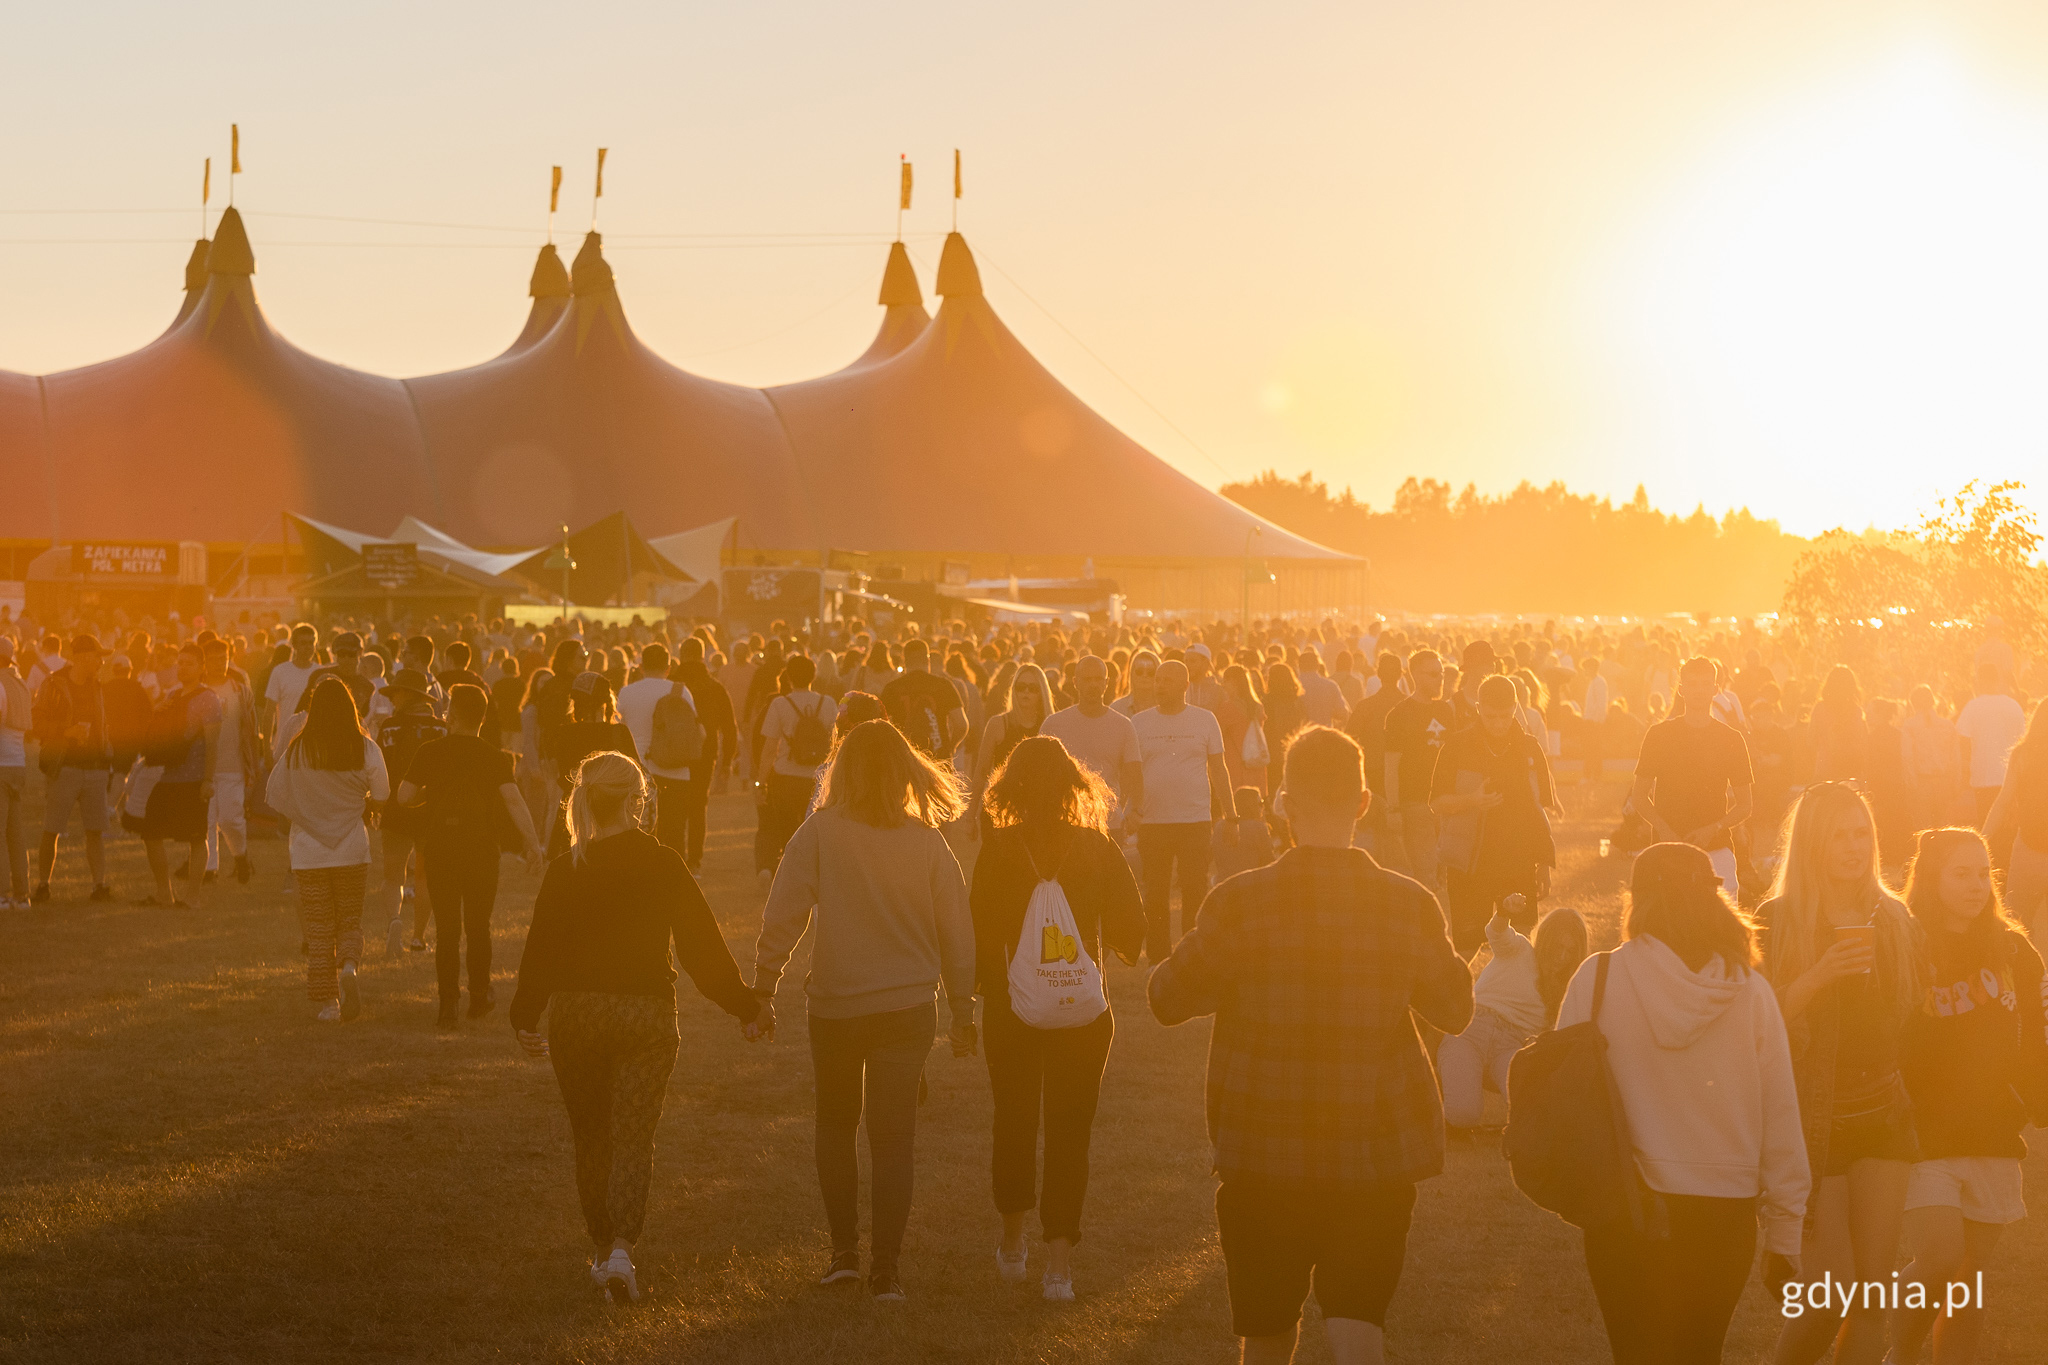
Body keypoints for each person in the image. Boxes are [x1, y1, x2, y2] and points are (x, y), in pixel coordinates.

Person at [1149, 725, 1473, 1365]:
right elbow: (1456, 1009)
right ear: (1363, 802)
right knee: (1359, 1326)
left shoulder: (1240, 902)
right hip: (1373, 1153)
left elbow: (1166, 998)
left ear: (1284, 804)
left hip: (1262, 1148)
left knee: (1267, 1331)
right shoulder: (1407, 903)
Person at [509, 751, 763, 1304]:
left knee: (591, 1135)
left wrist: (524, 1014)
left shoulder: (567, 867)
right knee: (632, 1136)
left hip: (577, 1015)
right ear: (635, 800)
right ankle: (622, 1249)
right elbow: (701, 949)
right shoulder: (663, 862)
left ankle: (603, 1249)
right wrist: (746, 1006)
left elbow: (541, 950)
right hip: (645, 1015)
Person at [749, 719, 975, 1304]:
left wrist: (764, 986)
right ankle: (886, 1270)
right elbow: (957, 931)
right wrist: (961, 1008)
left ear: (842, 769)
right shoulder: (927, 842)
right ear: (905, 771)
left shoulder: (819, 832)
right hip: (909, 1007)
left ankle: (844, 1254)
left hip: (837, 1007)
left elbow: (783, 912)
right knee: (894, 1139)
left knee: (835, 1125)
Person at [1560, 842, 1809, 1365]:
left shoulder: (1597, 978)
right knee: (1701, 1352)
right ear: (1714, 900)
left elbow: (1559, 1096)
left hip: (1626, 1209)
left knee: (1635, 1355)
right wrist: (1784, 1231)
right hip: (1724, 1212)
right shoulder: (1751, 992)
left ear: (1637, 900)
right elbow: (1781, 1115)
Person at [970, 735, 1144, 1300]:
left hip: (1012, 1008)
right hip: (1082, 1014)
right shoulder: (1097, 847)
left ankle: (1011, 1243)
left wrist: (981, 994)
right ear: (1074, 785)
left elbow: (978, 931)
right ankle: (1059, 1268)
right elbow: (1132, 932)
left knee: (1013, 1120)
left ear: (1011, 788)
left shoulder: (998, 849)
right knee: (1071, 1132)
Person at [1761, 782, 1922, 1365]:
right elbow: (1758, 1020)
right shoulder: (1778, 920)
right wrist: (1820, 973)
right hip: (1814, 1122)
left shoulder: (1894, 917)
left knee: (1872, 1298)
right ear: (1812, 844)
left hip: (1883, 1114)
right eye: (1840, 836)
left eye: (1862, 834)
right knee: (1828, 1297)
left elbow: (1911, 1016)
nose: (1856, 848)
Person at [1889, 827, 2048, 1365]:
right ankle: (1899, 1355)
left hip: (1993, 1131)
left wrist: (2036, 1100)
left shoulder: (2014, 950)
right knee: (1939, 1257)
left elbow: (2037, 1033)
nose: (1977, 885)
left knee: (1969, 1278)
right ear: (1930, 879)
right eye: (1961, 874)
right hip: (1922, 1132)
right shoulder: (1905, 944)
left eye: (1984, 874)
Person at [395, 684, 544, 1026]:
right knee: (479, 927)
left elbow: (404, 797)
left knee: (447, 929)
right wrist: (533, 843)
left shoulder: (430, 751)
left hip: (440, 848)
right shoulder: (494, 756)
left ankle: (447, 1004)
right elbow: (513, 800)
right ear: (482, 717)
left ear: (452, 716)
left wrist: (431, 795)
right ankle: (479, 996)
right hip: (481, 850)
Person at [265, 677, 389, 1022]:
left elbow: (276, 793)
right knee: (349, 919)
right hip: (352, 848)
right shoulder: (365, 748)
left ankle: (329, 1003)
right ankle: (349, 967)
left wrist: (305, 810)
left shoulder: (297, 750)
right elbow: (382, 793)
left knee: (319, 928)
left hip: (308, 852)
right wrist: (362, 803)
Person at [1428, 675, 1557, 958]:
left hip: (1518, 860)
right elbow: (1436, 803)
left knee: (1520, 946)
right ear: (1478, 708)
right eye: (1490, 717)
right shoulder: (1457, 746)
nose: (1498, 724)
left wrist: (1544, 863)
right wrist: (1471, 800)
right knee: (1466, 948)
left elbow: (1538, 811)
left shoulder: (1529, 748)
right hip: (1469, 865)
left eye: (1505, 716)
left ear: (1515, 708)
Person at [1438, 898, 1586, 1130]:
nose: (1562, 957)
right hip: (1472, 1031)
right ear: (1546, 941)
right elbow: (1497, 933)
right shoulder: (1520, 950)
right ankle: (1441, 1083)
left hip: (1510, 1048)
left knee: (1533, 1107)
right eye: (1558, 947)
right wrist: (1504, 912)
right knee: (1463, 1115)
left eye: (1570, 951)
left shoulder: (1563, 991)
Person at [1629, 656, 1754, 900]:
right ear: (1681, 689)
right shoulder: (1659, 735)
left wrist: (1714, 828)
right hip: (1667, 850)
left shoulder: (1731, 739)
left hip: (1716, 850)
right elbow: (1639, 796)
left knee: (1720, 921)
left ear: (1716, 689)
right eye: (1692, 684)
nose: (1699, 690)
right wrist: (1664, 830)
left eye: (1705, 684)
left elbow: (1745, 805)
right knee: (1666, 919)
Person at [1130, 659, 1230, 962]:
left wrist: (1231, 816)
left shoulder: (1204, 720)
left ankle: (1191, 958)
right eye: (1158, 679)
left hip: (1194, 820)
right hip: (1153, 821)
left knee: (1195, 891)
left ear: (1185, 685)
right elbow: (1131, 772)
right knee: (1155, 895)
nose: (1160, 685)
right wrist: (1131, 810)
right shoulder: (1140, 722)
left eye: (1168, 680)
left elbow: (1219, 769)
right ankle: (1158, 959)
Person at [128, 643, 222, 909]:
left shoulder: (209, 699)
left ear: (201, 668)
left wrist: (208, 780)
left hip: (194, 779)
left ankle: (192, 897)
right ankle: (164, 893)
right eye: (180, 662)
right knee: (150, 832)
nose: (183, 668)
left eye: (189, 663)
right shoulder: (172, 694)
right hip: (167, 775)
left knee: (196, 837)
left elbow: (213, 744)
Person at [31, 634, 116, 904]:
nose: (101, 662)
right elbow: (36, 722)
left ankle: (99, 886)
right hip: (65, 766)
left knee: (95, 831)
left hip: (94, 768)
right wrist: (66, 732)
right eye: (97, 656)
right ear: (82, 657)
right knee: (52, 829)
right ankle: (43, 885)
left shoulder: (96, 685)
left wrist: (106, 756)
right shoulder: (54, 683)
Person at [372, 670, 448, 954]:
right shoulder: (442, 729)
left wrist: (375, 803)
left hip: (395, 807)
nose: (392, 699)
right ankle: (418, 938)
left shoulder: (389, 728)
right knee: (425, 876)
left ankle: (394, 920)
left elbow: (379, 768)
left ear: (406, 695)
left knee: (393, 875)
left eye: (395, 694)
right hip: (432, 810)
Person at [755, 655, 837, 876]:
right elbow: (836, 744)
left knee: (788, 832)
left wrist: (760, 783)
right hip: (819, 779)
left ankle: (789, 875)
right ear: (814, 676)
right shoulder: (828, 703)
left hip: (786, 778)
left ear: (788, 677)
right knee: (816, 833)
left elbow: (770, 749)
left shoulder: (780, 704)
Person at [1040, 655, 1144, 828]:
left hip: (1109, 824)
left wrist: (1135, 813)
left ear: (1106, 683)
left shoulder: (1123, 725)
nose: (1093, 684)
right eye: (1087, 679)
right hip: (1065, 824)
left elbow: (1135, 774)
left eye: (1098, 679)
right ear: (1075, 682)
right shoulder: (1054, 724)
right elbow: (1040, 773)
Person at [1381, 649, 1453, 891]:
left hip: (1447, 806)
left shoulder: (1445, 710)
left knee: (1447, 878)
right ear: (1416, 676)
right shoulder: (1399, 715)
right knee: (1426, 877)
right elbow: (1391, 766)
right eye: (1433, 674)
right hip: (1416, 805)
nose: (1440, 679)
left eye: (1441, 673)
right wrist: (1393, 809)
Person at [615, 643, 694, 858]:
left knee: (640, 832)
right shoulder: (681, 691)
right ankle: (675, 872)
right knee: (675, 831)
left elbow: (617, 728)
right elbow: (694, 731)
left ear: (641, 667)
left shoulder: (627, 693)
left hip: (639, 770)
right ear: (668, 667)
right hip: (676, 769)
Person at [671, 637, 737, 868]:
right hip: (705, 753)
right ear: (702, 656)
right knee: (698, 807)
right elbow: (729, 728)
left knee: (674, 807)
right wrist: (727, 762)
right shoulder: (715, 687)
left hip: (672, 753)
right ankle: (695, 860)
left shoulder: (671, 684)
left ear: (682, 655)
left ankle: (674, 855)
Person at [198, 637, 258, 885]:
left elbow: (252, 730)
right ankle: (209, 867)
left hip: (233, 765)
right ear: (205, 662)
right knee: (207, 820)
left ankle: (240, 856)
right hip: (203, 767)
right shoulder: (199, 691)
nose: (218, 664)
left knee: (230, 819)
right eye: (212, 659)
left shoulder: (240, 691)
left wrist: (253, 764)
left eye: (222, 659)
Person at [1985, 700, 2048, 938]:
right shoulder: (2022, 754)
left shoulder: (2022, 755)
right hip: (2029, 845)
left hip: (2027, 847)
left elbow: (2003, 801)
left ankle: (2016, 960)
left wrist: (1983, 837)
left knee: (2016, 921)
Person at [973, 663, 1051, 830]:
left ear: (1041, 692)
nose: (1026, 692)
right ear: (1013, 689)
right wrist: (971, 815)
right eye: (1021, 687)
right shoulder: (998, 724)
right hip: (1000, 810)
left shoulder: (1050, 725)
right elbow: (982, 770)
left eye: (1033, 688)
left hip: (1038, 812)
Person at [1346, 654, 1406, 857]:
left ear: (1378, 675)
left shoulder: (1366, 706)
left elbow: (1348, 738)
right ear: (1400, 675)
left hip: (1374, 771)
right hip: (1404, 773)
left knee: (1376, 827)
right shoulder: (1408, 706)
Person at [1956, 664, 2026, 825]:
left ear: (1979, 680)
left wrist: (1964, 774)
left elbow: (1962, 742)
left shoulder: (1973, 706)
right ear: (1997, 680)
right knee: (2009, 825)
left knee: (1986, 824)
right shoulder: (2014, 706)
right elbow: (2022, 742)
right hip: (2010, 778)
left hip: (1983, 777)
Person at [880, 638, 967, 765]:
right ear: (927, 660)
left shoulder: (892, 688)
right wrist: (951, 746)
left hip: (904, 760)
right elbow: (961, 725)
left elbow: (880, 725)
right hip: (939, 760)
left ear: (905, 661)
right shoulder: (944, 685)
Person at [0, 637, 29, 909]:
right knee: (16, 835)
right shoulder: (20, 684)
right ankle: (21, 894)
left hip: (1, 765)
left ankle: (2, 894)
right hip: (18, 764)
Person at [262, 623, 319, 754]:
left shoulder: (320, 673)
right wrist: (267, 749)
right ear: (294, 645)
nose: (308, 647)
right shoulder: (280, 672)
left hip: (312, 750)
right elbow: (269, 712)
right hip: (284, 747)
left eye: (311, 643)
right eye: (303, 643)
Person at [1810, 665, 1866, 783]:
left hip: (1824, 769)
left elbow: (1811, 740)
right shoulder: (1856, 711)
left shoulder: (1820, 708)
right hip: (1850, 771)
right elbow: (1861, 741)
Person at [1211, 785, 1277, 882]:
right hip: (1250, 883)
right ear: (1251, 805)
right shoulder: (1258, 827)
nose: (1263, 807)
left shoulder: (1218, 826)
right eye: (1261, 803)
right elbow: (1269, 861)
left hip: (1223, 882)